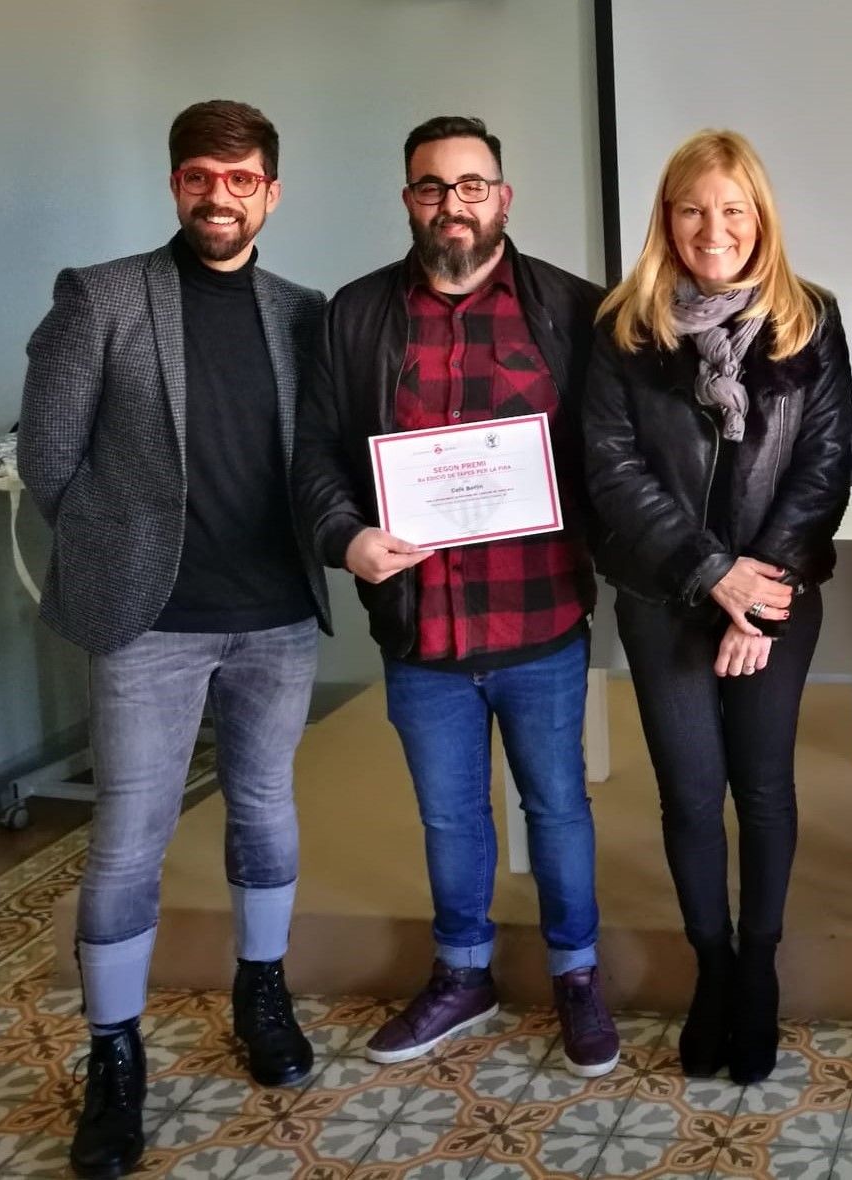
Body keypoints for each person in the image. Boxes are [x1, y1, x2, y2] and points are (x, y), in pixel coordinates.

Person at [18, 99, 327, 1179]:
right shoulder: (101, 297)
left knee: (266, 814)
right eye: (202, 176)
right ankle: (114, 1057)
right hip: (151, 623)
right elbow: (51, 462)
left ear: (271, 192)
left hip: (278, 619)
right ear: (175, 184)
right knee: (127, 842)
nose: (221, 196)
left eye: (243, 180)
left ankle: (263, 993)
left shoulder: (304, 311)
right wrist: (126, 553)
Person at [290, 116, 617, 1076]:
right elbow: (314, 453)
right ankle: (463, 971)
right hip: (420, 622)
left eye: (472, 186)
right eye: (433, 188)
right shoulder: (354, 315)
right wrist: (345, 538)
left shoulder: (575, 310)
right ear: (408, 202)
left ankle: (578, 973)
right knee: (449, 815)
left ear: (503, 199)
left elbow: (610, 455)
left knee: (557, 805)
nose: (453, 205)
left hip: (540, 612)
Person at [582, 130, 852, 1084]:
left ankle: (762, 973)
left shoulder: (811, 318)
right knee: (691, 795)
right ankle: (714, 970)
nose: (715, 228)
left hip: (777, 593)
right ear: (667, 218)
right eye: (694, 208)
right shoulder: (624, 325)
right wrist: (713, 576)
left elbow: (826, 464)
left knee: (765, 789)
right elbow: (611, 470)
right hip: (664, 595)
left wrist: (760, 587)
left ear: (761, 218)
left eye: (734, 209)